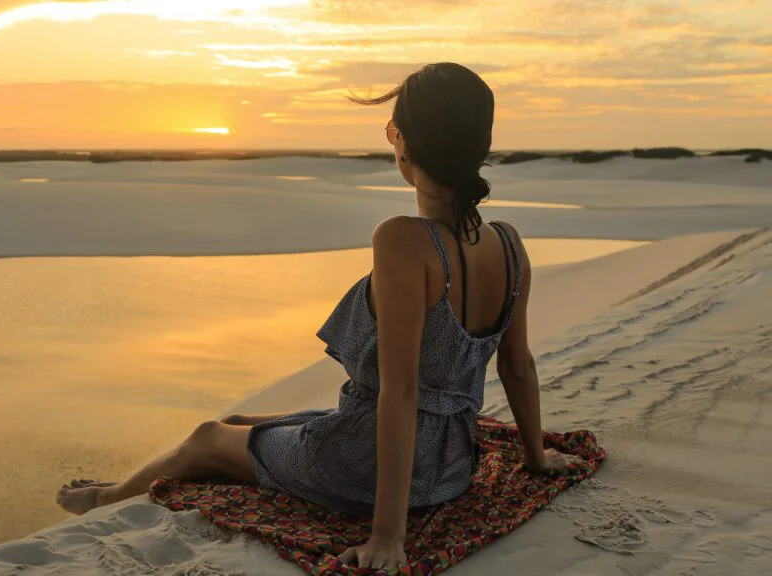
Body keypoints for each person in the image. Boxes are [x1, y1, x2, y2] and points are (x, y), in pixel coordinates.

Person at [56, 62, 581, 571]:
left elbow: (400, 393)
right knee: (241, 424)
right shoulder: (509, 244)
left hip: (367, 464)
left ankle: (106, 498)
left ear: (405, 142)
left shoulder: (404, 241)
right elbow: (518, 367)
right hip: (453, 464)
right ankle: (150, 480)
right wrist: (536, 459)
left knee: (205, 437)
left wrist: (387, 536)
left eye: (393, 129)